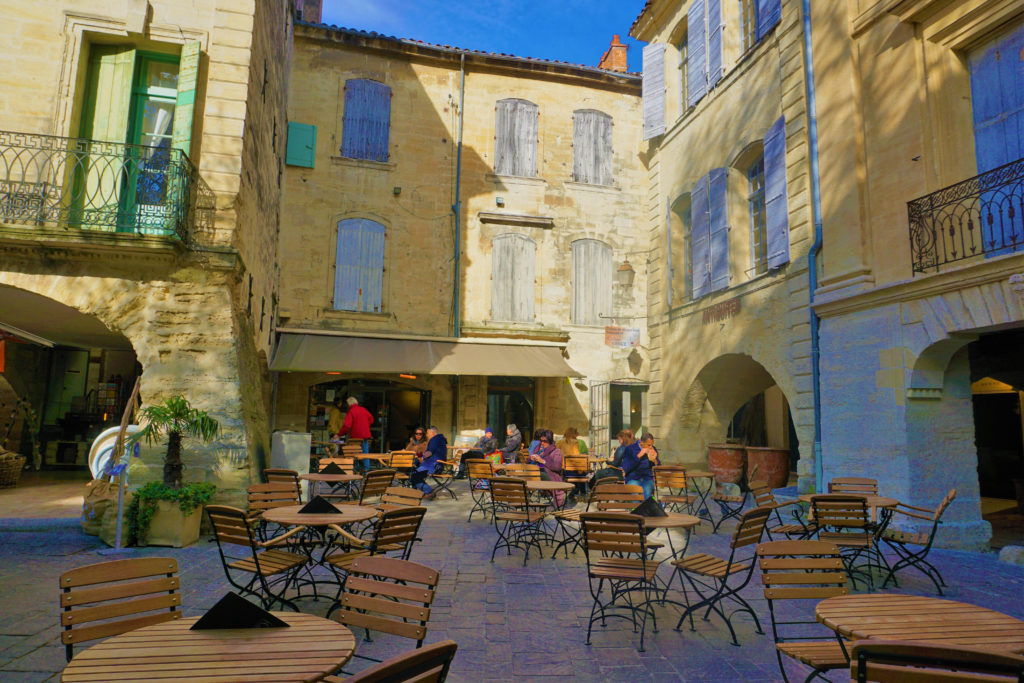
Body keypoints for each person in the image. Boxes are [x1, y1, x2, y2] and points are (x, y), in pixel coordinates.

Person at [529, 429, 565, 506]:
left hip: (548, 474)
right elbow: (527, 461)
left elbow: (557, 467)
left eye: (544, 441)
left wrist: (542, 461)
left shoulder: (556, 451)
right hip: (534, 472)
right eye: (541, 441)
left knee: (534, 474)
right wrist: (531, 459)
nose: (542, 443)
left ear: (549, 440)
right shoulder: (538, 449)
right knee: (525, 474)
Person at [338, 396, 374, 472]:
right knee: (365, 452)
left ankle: (355, 469)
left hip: (355, 436)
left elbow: (347, 425)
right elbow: (371, 419)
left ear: (349, 404)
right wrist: (365, 425)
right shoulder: (363, 410)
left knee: (355, 452)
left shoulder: (351, 412)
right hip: (365, 435)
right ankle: (366, 469)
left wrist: (339, 434)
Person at [410, 425, 447, 500]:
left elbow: (429, 452)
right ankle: (415, 493)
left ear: (432, 433)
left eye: (427, 433)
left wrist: (423, 457)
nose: (426, 435)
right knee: (414, 474)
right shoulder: (440, 439)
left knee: (414, 475)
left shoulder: (435, 439)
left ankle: (429, 492)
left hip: (433, 465)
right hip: (435, 464)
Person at [621, 432, 660, 499]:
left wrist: (655, 461)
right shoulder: (630, 449)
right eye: (649, 445)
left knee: (647, 491)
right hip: (633, 478)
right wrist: (639, 455)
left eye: (652, 445)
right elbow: (626, 468)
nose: (651, 447)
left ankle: (645, 508)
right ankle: (636, 508)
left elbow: (659, 469)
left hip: (648, 478)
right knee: (636, 492)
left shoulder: (653, 449)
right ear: (641, 443)